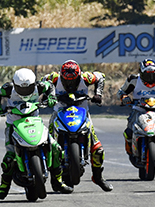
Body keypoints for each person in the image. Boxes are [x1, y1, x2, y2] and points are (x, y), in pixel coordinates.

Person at [0, 68, 73, 200]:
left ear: (34, 84)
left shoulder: (40, 86)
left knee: (56, 148)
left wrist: (51, 97)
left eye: (28, 88)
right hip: (13, 124)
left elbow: (51, 86)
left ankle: (57, 181)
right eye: (21, 89)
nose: (25, 91)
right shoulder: (8, 89)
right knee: (9, 157)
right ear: (15, 85)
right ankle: (4, 186)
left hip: (35, 121)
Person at [42, 60, 113, 192]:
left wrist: (98, 94)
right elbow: (42, 82)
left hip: (82, 112)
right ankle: (50, 176)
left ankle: (98, 177)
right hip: (59, 112)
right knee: (48, 143)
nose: (70, 85)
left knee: (98, 149)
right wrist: (47, 95)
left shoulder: (86, 77)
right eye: (67, 81)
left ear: (79, 76)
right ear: (61, 76)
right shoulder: (54, 77)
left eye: (73, 81)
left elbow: (101, 76)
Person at [117, 58, 155, 156]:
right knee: (128, 132)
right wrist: (124, 97)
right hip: (138, 110)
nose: (150, 78)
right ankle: (130, 150)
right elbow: (121, 91)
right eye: (147, 75)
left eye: (153, 75)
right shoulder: (133, 80)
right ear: (141, 73)